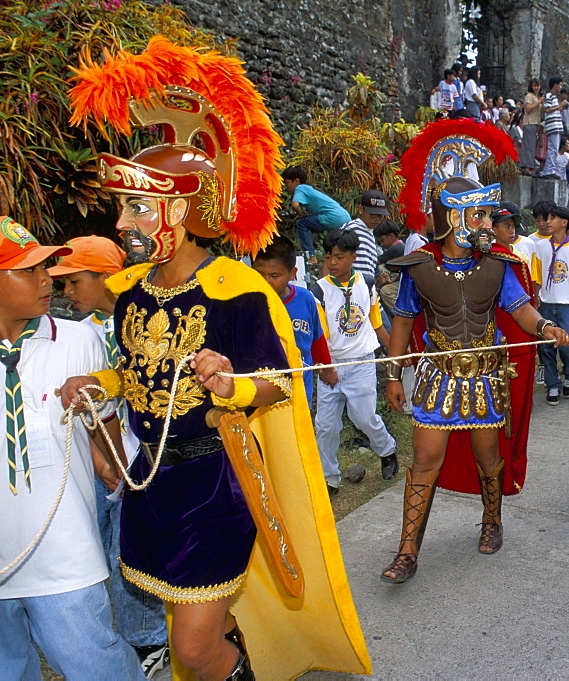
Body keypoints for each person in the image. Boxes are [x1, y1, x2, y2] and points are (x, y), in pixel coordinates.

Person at [62, 37, 370, 678]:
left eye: (137, 206)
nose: (124, 222)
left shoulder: (238, 290)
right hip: (153, 485)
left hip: (214, 485)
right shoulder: (132, 293)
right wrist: (98, 380)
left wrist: (230, 384)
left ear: (177, 209)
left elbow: (278, 386)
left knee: (194, 648)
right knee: (207, 628)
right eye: (125, 207)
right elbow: (143, 372)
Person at [380, 119, 569, 584]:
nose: (489, 225)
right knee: (424, 460)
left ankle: (492, 521)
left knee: (489, 458)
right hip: (437, 376)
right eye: (480, 216)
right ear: (454, 217)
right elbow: (403, 320)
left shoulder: (499, 266)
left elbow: (520, 309)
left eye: (488, 216)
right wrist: (391, 375)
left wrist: (545, 327)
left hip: (485, 375)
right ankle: (407, 551)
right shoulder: (418, 267)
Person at [0, 221, 145, 680]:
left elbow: (104, 427)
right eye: (29, 270)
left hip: (64, 552)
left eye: (47, 267)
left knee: (94, 664)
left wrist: (110, 459)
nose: (48, 279)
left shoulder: (79, 341)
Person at [48, 236, 171, 676]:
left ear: (104, 275)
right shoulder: (89, 327)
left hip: (138, 455)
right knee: (107, 548)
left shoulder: (137, 319)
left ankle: (148, 640)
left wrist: (116, 460)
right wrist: (101, 456)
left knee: (128, 551)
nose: (66, 293)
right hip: (102, 455)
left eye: (73, 281)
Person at [312, 229, 397, 491]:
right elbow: (319, 336)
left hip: (361, 362)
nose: (333, 263)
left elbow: (376, 323)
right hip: (332, 364)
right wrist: (326, 368)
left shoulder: (368, 284)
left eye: (339, 257)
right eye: (329, 257)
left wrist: (395, 352)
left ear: (353, 257)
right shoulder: (318, 291)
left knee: (363, 417)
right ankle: (330, 478)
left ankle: (387, 449)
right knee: (326, 426)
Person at [251, 235, 335, 406]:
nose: (267, 282)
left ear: (292, 273)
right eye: (259, 274)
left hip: (299, 388)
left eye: (275, 275)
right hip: (259, 392)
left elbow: (316, 338)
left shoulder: (305, 299)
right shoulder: (247, 302)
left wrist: (326, 368)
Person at [532, 205, 569, 406]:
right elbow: (537, 274)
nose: (547, 222)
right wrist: (536, 297)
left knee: (567, 344)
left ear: (564, 222)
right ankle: (553, 385)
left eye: (552, 218)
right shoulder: (540, 246)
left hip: (568, 304)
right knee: (547, 346)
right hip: (547, 302)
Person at [281, 165, 351, 263]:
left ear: (296, 181)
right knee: (336, 241)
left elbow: (295, 205)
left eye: (287, 183)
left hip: (333, 216)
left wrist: (301, 214)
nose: (286, 187)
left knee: (301, 223)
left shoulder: (300, 188)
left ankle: (311, 255)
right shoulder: (308, 189)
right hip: (345, 216)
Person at [342, 189, 389, 285]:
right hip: (350, 287)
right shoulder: (351, 229)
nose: (376, 219)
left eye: (380, 215)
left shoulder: (370, 234)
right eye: (372, 214)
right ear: (361, 209)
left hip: (364, 289)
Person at [540, 77, 566, 178]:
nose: (560, 87)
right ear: (555, 85)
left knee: (554, 148)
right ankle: (548, 170)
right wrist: (560, 106)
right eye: (560, 85)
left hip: (557, 126)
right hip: (552, 126)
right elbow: (548, 109)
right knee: (552, 148)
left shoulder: (554, 97)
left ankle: (551, 169)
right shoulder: (549, 96)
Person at [519, 78, 543, 175]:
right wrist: (539, 102)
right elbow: (528, 108)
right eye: (534, 86)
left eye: (538, 85)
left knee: (532, 146)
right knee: (529, 145)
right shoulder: (529, 96)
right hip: (529, 123)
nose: (536, 88)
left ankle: (531, 165)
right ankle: (527, 166)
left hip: (535, 123)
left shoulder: (536, 97)